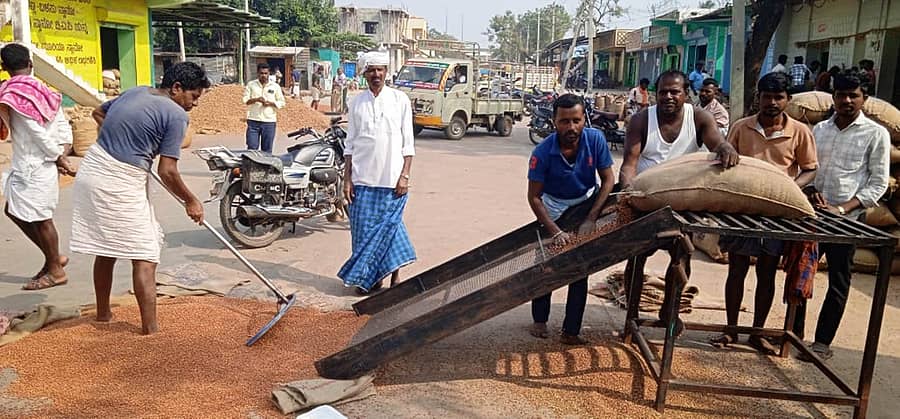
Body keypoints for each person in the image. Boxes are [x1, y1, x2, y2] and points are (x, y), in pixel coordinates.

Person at [71, 62, 210, 335]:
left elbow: (99, 113)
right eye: (193, 97)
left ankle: (103, 315)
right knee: (145, 253)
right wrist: (191, 201)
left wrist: (128, 140)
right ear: (176, 88)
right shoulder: (176, 115)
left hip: (93, 168)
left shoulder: (136, 91)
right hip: (118, 180)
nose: (193, 104)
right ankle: (151, 331)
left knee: (107, 247)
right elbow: (168, 171)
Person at [619, 70, 741, 335]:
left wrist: (725, 149)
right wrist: (628, 192)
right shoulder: (641, 120)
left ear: (687, 93)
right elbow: (629, 164)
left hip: (682, 204)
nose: (668, 97)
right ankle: (631, 313)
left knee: (681, 258)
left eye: (675, 91)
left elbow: (717, 142)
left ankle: (669, 310)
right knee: (637, 259)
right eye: (663, 91)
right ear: (655, 93)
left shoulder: (699, 118)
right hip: (647, 201)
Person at [710, 72, 818, 354]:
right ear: (758, 98)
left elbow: (810, 168)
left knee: (768, 271)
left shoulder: (800, 132)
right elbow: (723, 157)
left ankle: (757, 332)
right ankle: (731, 329)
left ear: (788, 100)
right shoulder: (742, 127)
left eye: (778, 97)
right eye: (766, 96)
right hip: (743, 210)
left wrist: (792, 188)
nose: (772, 102)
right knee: (737, 268)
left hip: (777, 212)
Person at [799, 70, 890, 362]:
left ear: (865, 98)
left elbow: (878, 183)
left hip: (847, 220)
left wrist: (844, 208)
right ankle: (795, 335)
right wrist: (810, 189)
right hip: (814, 215)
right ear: (833, 97)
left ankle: (822, 342)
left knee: (838, 280)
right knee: (802, 275)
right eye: (841, 95)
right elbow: (807, 166)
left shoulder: (876, 134)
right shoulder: (819, 130)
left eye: (854, 95)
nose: (847, 100)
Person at [526, 94, 616, 345]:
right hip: (554, 206)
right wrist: (555, 232)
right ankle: (540, 320)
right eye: (564, 121)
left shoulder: (595, 139)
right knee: (546, 266)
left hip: (587, 202)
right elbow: (534, 198)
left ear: (583, 119)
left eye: (576, 120)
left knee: (580, 268)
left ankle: (571, 331)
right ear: (554, 122)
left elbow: (608, 180)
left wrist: (591, 218)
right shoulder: (542, 152)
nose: (571, 127)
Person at [339, 50, 416, 295]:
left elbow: (408, 143)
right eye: (371, 70)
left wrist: (405, 175)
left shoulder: (400, 100)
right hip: (362, 180)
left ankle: (395, 279)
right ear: (364, 74)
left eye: (380, 70)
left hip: (391, 180)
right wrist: (347, 180)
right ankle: (369, 280)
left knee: (390, 231)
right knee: (362, 234)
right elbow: (350, 144)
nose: (376, 74)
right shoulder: (356, 103)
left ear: (386, 72)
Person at [0, 43, 76, 290]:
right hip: (36, 164)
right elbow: (63, 126)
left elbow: (35, 132)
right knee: (13, 210)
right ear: (30, 64)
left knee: (42, 219)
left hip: (34, 165)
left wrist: (58, 157)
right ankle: (53, 258)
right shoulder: (46, 91)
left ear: (4, 68)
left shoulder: (13, 94)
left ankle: (56, 269)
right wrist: (63, 151)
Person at [242, 63, 285, 153]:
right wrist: (256, 99)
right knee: (252, 149)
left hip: (269, 122)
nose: (264, 75)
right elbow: (245, 100)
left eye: (266, 73)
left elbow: (282, 102)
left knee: (267, 150)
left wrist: (271, 103)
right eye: (261, 73)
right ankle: (251, 167)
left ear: (269, 73)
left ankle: (265, 167)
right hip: (253, 121)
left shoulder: (275, 86)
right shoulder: (251, 85)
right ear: (258, 73)